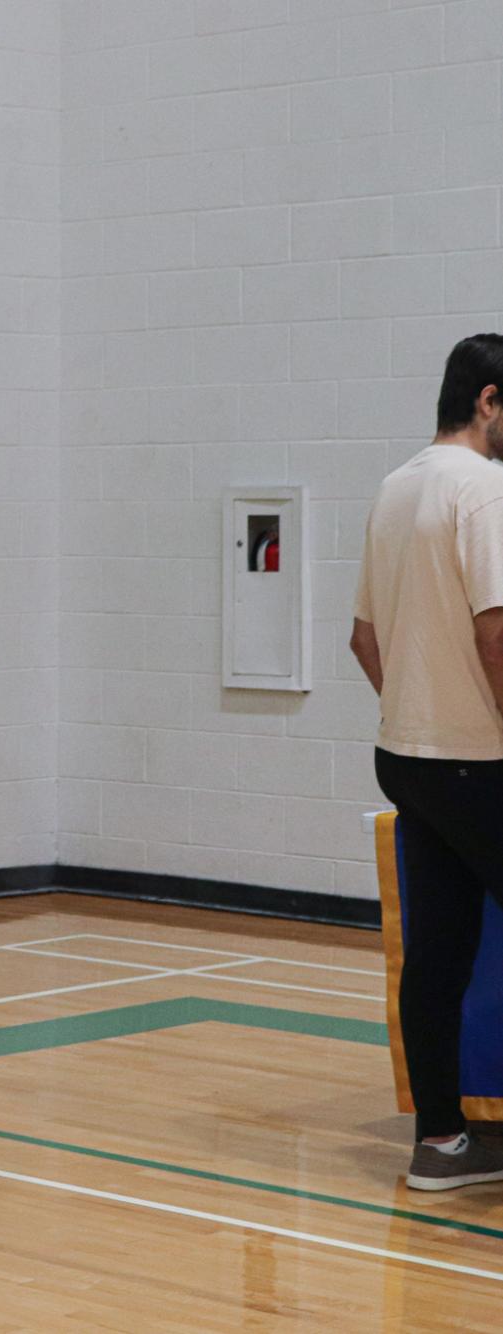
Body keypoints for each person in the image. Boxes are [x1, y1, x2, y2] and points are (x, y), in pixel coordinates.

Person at [352, 333, 503, 1193]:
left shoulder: (394, 487)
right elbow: (495, 634)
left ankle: (440, 1143)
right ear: (486, 400)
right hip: (477, 763)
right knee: (445, 954)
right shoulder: (482, 491)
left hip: (404, 757)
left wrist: (416, 706)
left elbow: (363, 639)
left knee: (437, 956)